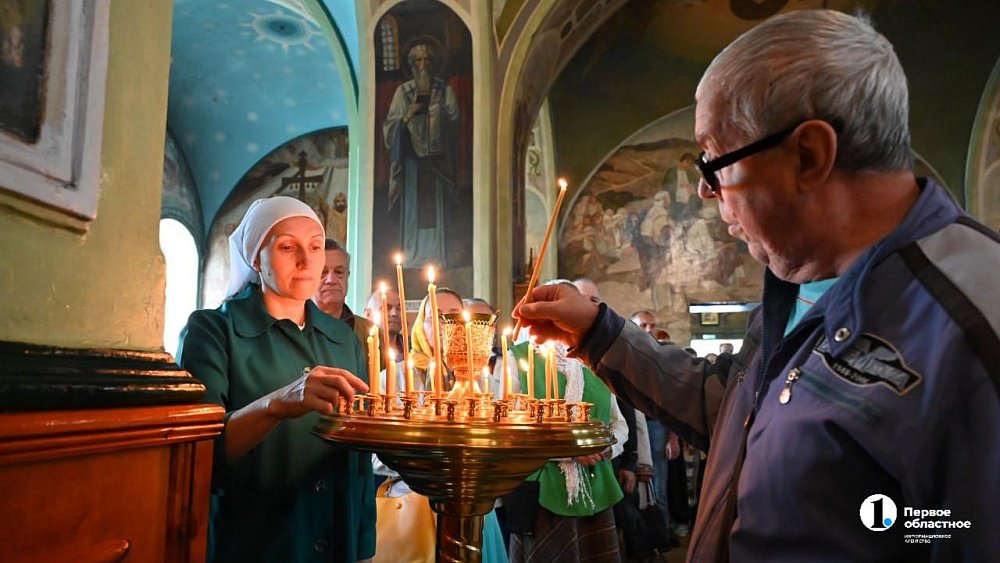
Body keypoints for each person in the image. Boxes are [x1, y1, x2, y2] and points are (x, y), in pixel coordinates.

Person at [516, 10, 999, 562]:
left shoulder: (971, 330)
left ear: (808, 155)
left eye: (714, 159)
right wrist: (599, 332)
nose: (704, 191)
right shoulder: (795, 286)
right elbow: (733, 409)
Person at [177, 197, 375, 562]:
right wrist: (278, 404)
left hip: (336, 538)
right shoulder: (215, 331)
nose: (306, 260)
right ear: (256, 257)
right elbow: (200, 453)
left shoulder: (343, 337)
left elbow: (358, 451)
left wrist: (363, 543)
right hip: (258, 541)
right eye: (287, 247)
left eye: (315, 246)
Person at [506, 280, 628, 563]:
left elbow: (619, 425)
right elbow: (510, 428)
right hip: (542, 490)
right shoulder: (518, 359)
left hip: (596, 488)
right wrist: (569, 449)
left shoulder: (596, 363)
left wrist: (605, 448)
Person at [383, 42, 460, 267]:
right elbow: (391, 125)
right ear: (412, 64)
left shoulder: (443, 89)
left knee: (434, 206)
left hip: (436, 163)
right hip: (412, 163)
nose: (423, 64)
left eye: (427, 59)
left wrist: (438, 113)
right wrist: (408, 115)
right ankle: (413, 255)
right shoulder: (403, 91)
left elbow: (454, 118)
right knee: (414, 210)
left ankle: (436, 255)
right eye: (418, 60)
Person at [312, 238, 376, 353]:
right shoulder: (293, 328)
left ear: (347, 275)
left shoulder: (369, 331)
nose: (331, 280)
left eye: (339, 272)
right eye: (323, 272)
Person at [364, 286, 405, 356]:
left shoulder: (413, 348)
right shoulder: (357, 347)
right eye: (386, 308)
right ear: (368, 314)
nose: (394, 313)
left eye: (399, 308)